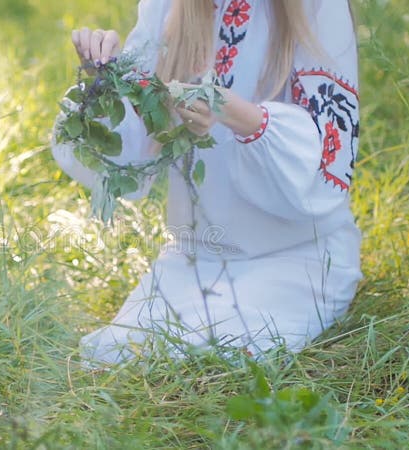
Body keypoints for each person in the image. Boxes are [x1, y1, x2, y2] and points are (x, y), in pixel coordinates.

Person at [52, 0, 362, 364]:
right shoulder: (170, 6)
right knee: (117, 353)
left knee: (214, 353)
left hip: (299, 259)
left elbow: (330, 160)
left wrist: (242, 117)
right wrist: (108, 81)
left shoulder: (316, 6)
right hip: (196, 258)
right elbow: (132, 156)